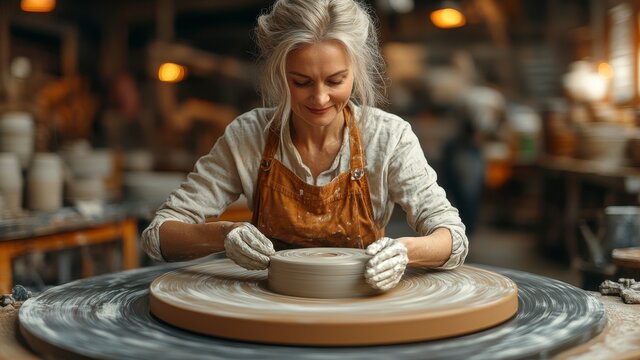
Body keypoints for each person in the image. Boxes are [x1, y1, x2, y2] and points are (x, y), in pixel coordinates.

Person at [141, 0, 468, 291]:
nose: (320, 98)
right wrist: (223, 236)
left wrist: (404, 250)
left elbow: (452, 237)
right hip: (275, 305)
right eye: (301, 82)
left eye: (336, 80)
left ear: (356, 71)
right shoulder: (249, 135)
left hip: (360, 303)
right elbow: (159, 235)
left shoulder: (388, 137)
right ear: (279, 73)